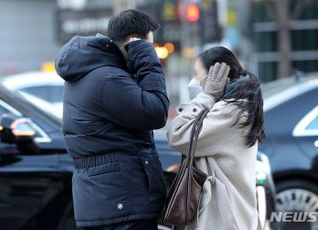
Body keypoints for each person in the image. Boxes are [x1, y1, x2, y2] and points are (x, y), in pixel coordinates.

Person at [55, 9, 169, 230]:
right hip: (122, 205)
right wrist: (145, 58)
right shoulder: (108, 79)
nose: (151, 50)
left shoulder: (92, 72)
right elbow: (156, 111)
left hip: (106, 202)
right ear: (134, 41)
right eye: (149, 45)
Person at [167, 47, 265, 230]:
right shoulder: (236, 106)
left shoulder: (230, 112)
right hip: (231, 216)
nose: (194, 81)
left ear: (216, 77)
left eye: (197, 75)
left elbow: (177, 134)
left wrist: (206, 96)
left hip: (224, 219)